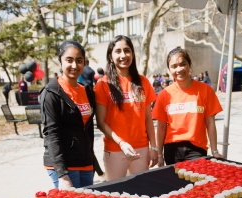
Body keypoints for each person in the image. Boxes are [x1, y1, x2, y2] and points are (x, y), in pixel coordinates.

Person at [95, 35, 158, 181]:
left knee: (142, 194)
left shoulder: (143, 81)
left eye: (127, 50)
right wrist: (122, 143)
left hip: (141, 149)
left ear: (133, 54)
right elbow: (101, 122)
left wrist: (154, 148)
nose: (123, 55)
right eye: (118, 51)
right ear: (111, 56)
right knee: (117, 196)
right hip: (115, 149)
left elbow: (148, 118)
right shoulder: (103, 84)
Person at [40, 41, 101, 189]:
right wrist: (62, 174)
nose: (74, 65)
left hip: (85, 162)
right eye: (69, 60)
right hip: (64, 165)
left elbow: (88, 131)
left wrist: (94, 164)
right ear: (60, 61)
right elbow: (51, 134)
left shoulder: (87, 91)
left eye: (79, 61)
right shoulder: (51, 92)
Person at [152, 47, 224, 166]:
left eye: (182, 64)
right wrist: (159, 154)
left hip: (197, 149)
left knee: (196, 183)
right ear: (169, 69)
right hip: (172, 150)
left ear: (189, 65)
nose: (179, 69)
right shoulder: (164, 94)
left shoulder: (205, 90)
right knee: (174, 184)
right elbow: (161, 128)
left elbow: (210, 123)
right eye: (174, 66)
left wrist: (215, 150)